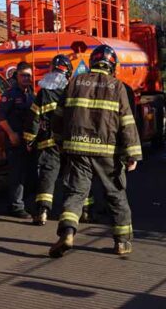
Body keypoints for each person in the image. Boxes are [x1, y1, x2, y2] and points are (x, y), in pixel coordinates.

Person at [49, 44, 142, 258]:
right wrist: (132, 154)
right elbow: (127, 122)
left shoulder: (74, 82)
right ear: (112, 65)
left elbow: (59, 116)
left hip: (77, 148)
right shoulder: (117, 87)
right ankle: (122, 243)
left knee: (77, 192)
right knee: (116, 193)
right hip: (108, 151)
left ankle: (68, 232)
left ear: (92, 63)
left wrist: (59, 141)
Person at [23, 54, 73, 225]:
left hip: (49, 142)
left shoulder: (43, 92)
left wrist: (29, 139)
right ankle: (80, 211)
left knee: (48, 176)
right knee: (73, 176)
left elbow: (34, 118)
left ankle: (43, 210)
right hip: (71, 142)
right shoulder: (71, 90)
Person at [0, 61, 36, 218]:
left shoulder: (31, 93)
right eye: (23, 75)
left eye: (29, 76)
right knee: (17, 174)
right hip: (14, 140)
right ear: (17, 76)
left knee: (30, 174)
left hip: (28, 140)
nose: (27, 78)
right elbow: (1, 118)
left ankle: (24, 203)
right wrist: (11, 134)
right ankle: (16, 207)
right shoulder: (10, 94)